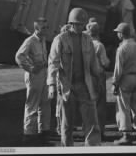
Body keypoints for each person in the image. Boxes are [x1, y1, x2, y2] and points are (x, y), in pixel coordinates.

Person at [47, 8, 101, 146]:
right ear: (71, 23)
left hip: (85, 86)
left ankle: (93, 148)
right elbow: (53, 63)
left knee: (91, 122)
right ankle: (68, 148)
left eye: (82, 24)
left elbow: (94, 62)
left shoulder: (87, 39)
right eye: (77, 24)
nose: (80, 27)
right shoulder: (60, 39)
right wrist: (52, 85)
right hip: (67, 86)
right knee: (67, 123)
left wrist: (99, 79)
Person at [15, 17, 51, 146]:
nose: (46, 30)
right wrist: (30, 68)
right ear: (36, 28)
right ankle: (29, 134)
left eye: (47, 27)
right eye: (43, 28)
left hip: (43, 74)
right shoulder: (30, 41)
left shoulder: (42, 40)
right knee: (32, 104)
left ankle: (43, 131)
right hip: (34, 75)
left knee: (44, 103)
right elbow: (19, 56)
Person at [112, 22, 136, 145]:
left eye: (118, 33)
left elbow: (118, 69)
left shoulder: (121, 48)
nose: (117, 35)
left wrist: (115, 83)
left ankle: (126, 135)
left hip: (125, 78)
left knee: (124, 107)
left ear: (121, 34)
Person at [86, 21, 110, 141]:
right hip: (98, 76)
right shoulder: (99, 45)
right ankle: (100, 131)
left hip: (86, 76)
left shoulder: (84, 44)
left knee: (88, 104)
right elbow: (105, 63)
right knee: (100, 105)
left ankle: (89, 131)